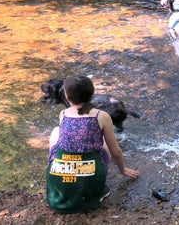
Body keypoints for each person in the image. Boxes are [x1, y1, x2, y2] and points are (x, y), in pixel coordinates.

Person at [46, 75, 140, 214]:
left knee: (56, 131)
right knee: (103, 140)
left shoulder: (63, 114)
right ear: (92, 95)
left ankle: (58, 166)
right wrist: (123, 170)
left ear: (67, 97)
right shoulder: (101, 116)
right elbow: (116, 152)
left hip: (58, 191)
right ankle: (99, 191)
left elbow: (68, 140)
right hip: (90, 180)